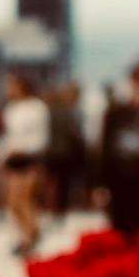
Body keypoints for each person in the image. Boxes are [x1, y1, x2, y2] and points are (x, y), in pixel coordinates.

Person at [98, 62, 139, 236]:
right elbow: (104, 148)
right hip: (120, 177)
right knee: (120, 225)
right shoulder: (115, 115)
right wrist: (100, 182)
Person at [0, 73, 49, 254]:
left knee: (24, 199)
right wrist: (0, 157)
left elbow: (40, 136)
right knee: (13, 201)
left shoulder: (37, 108)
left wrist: (27, 149)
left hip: (30, 158)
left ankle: (29, 236)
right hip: (13, 159)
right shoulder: (11, 109)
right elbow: (9, 136)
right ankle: (29, 233)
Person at [45, 81, 88, 216]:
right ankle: (60, 207)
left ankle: (53, 206)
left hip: (52, 151)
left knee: (53, 181)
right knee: (63, 182)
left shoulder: (49, 111)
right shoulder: (67, 112)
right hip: (65, 151)